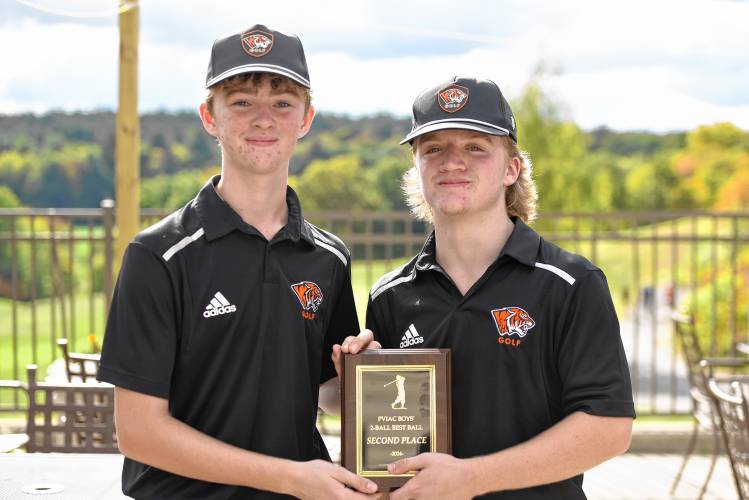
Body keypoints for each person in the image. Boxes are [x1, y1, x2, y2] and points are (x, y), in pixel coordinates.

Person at [98, 24, 378, 499]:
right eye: (242, 102)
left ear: (306, 119)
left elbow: (327, 394)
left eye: (283, 104)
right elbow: (139, 433)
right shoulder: (158, 254)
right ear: (210, 117)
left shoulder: (328, 257)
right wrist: (290, 476)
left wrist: (359, 379)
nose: (264, 119)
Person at [334, 77, 635, 499]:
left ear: (511, 168)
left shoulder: (571, 283)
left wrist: (471, 478)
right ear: (417, 167)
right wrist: (360, 379)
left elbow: (608, 428)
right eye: (433, 148)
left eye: (475, 147)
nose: (452, 162)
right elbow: (394, 441)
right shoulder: (391, 295)